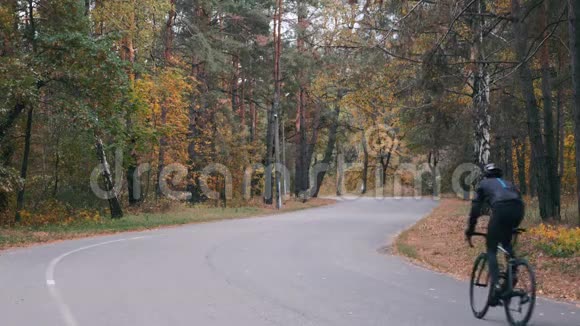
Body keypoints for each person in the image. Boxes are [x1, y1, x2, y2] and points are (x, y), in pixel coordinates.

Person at [465, 163, 525, 306]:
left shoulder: (483, 184)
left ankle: (497, 285)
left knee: (491, 248)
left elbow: (475, 209)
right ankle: (513, 271)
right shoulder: (509, 183)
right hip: (519, 209)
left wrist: (470, 229)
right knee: (506, 242)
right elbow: (517, 198)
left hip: (501, 209)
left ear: (486, 175)